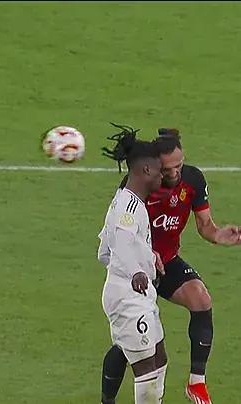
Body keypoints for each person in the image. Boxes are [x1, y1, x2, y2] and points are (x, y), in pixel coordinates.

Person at [111, 128, 241, 404]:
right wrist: (146, 254)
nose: (175, 173)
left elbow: (206, 226)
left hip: (168, 263)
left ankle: (197, 383)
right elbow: (122, 233)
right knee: (133, 346)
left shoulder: (193, 180)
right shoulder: (139, 186)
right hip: (137, 269)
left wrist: (220, 235)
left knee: (201, 299)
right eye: (167, 169)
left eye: (179, 165)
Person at [98, 124, 167, 404]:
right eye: (160, 170)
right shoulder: (128, 207)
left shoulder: (128, 201)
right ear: (146, 170)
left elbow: (105, 250)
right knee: (146, 367)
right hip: (128, 296)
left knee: (159, 357)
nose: (163, 175)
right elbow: (124, 240)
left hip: (138, 293)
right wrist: (136, 270)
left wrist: (147, 257)